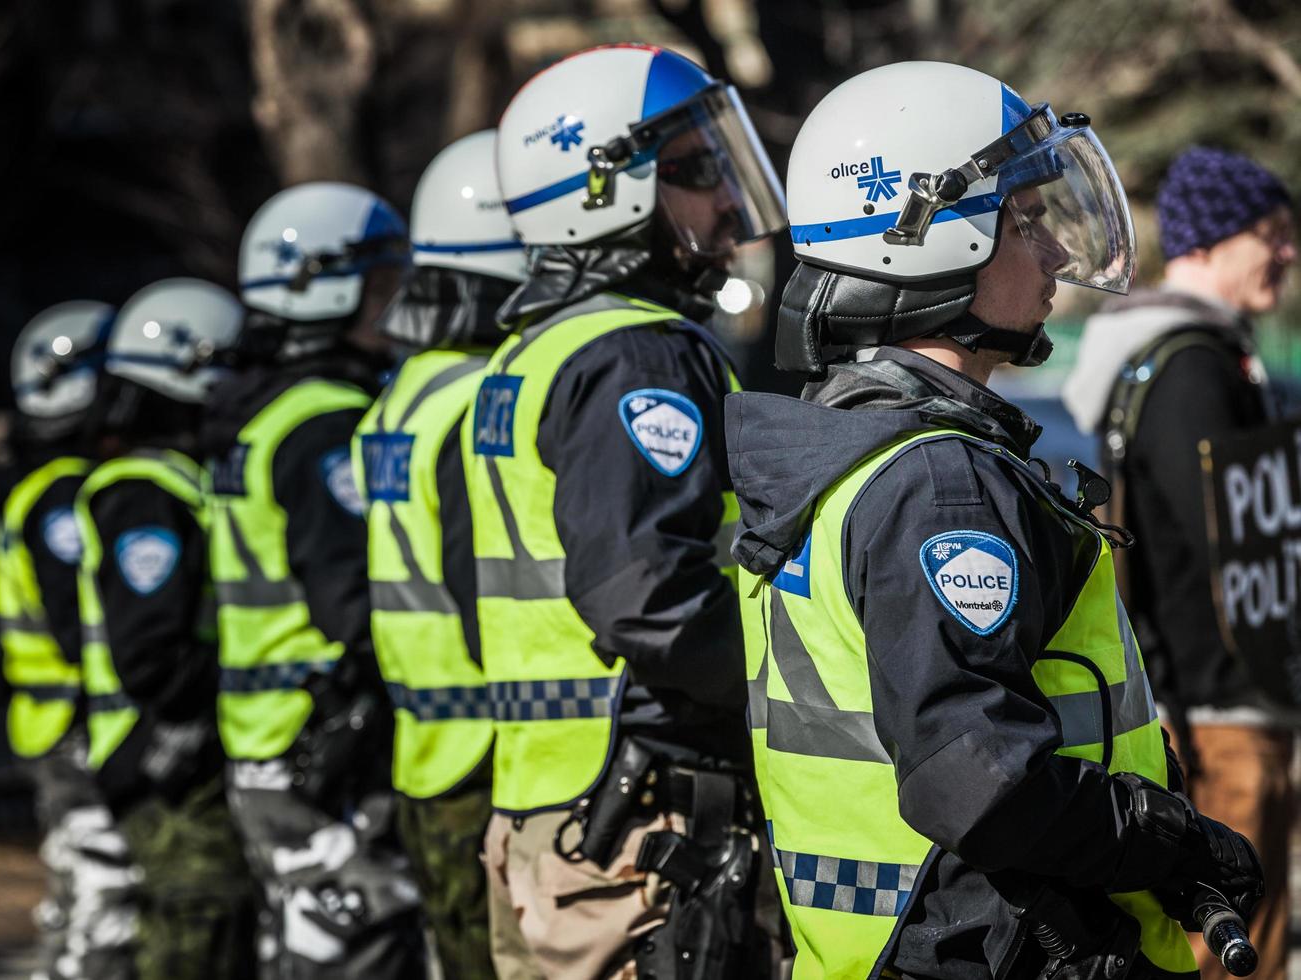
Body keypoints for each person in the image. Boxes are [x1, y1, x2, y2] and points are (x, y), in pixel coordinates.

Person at [728, 61, 1266, 979]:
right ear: (924, 240)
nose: (1056, 253)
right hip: (1000, 949)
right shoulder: (938, 483)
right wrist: (1168, 839)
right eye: (1024, 224)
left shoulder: (852, 449)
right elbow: (977, 777)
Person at [464, 43, 786, 980]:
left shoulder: (529, 352)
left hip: (547, 808)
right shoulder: (636, 357)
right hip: (645, 822)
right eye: (696, 171)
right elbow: (652, 599)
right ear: (602, 193)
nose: (728, 198)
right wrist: (799, 686)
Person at [1063, 145, 1297, 979]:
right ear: (1207, 243)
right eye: (1268, 232)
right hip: (1220, 710)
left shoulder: (1179, 353)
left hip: (1201, 700)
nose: (1288, 249)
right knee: (1233, 955)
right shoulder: (1192, 365)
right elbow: (1225, 544)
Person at [206, 182, 422, 978]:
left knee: (307, 948)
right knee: (357, 949)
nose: (396, 301)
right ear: (333, 287)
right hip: (324, 736)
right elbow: (350, 598)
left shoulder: (260, 413)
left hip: (272, 737)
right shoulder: (323, 422)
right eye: (383, 281)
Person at [352, 129, 527, 979]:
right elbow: (483, 594)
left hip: (427, 751)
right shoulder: (478, 404)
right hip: (491, 758)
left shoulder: (405, 394)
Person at [73, 278, 253, 978]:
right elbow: (150, 655)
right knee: (198, 937)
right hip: (162, 761)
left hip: (167, 755)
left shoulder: (173, 479)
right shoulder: (144, 493)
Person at [0, 300, 141, 979]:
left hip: (54, 720)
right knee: (104, 895)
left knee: (80, 889)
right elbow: (78, 623)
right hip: (73, 722)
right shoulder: (63, 496)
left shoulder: (45, 486)